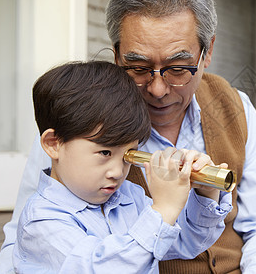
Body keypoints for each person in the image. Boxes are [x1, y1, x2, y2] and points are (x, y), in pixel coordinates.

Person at [0, 0, 256, 273]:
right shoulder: (72, 124)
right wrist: (162, 211)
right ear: (116, 55)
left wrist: (206, 196)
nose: (158, 89)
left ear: (208, 52)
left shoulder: (236, 108)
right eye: (138, 67)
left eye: (177, 68)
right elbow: (19, 246)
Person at [12, 61, 232, 273]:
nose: (118, 172)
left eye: (128, 156)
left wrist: (206, 193)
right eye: (105, 153)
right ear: (54, 144)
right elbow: (104, 268)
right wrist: (163, 210)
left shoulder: (128, 198)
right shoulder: (41, 221)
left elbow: (184, 241)